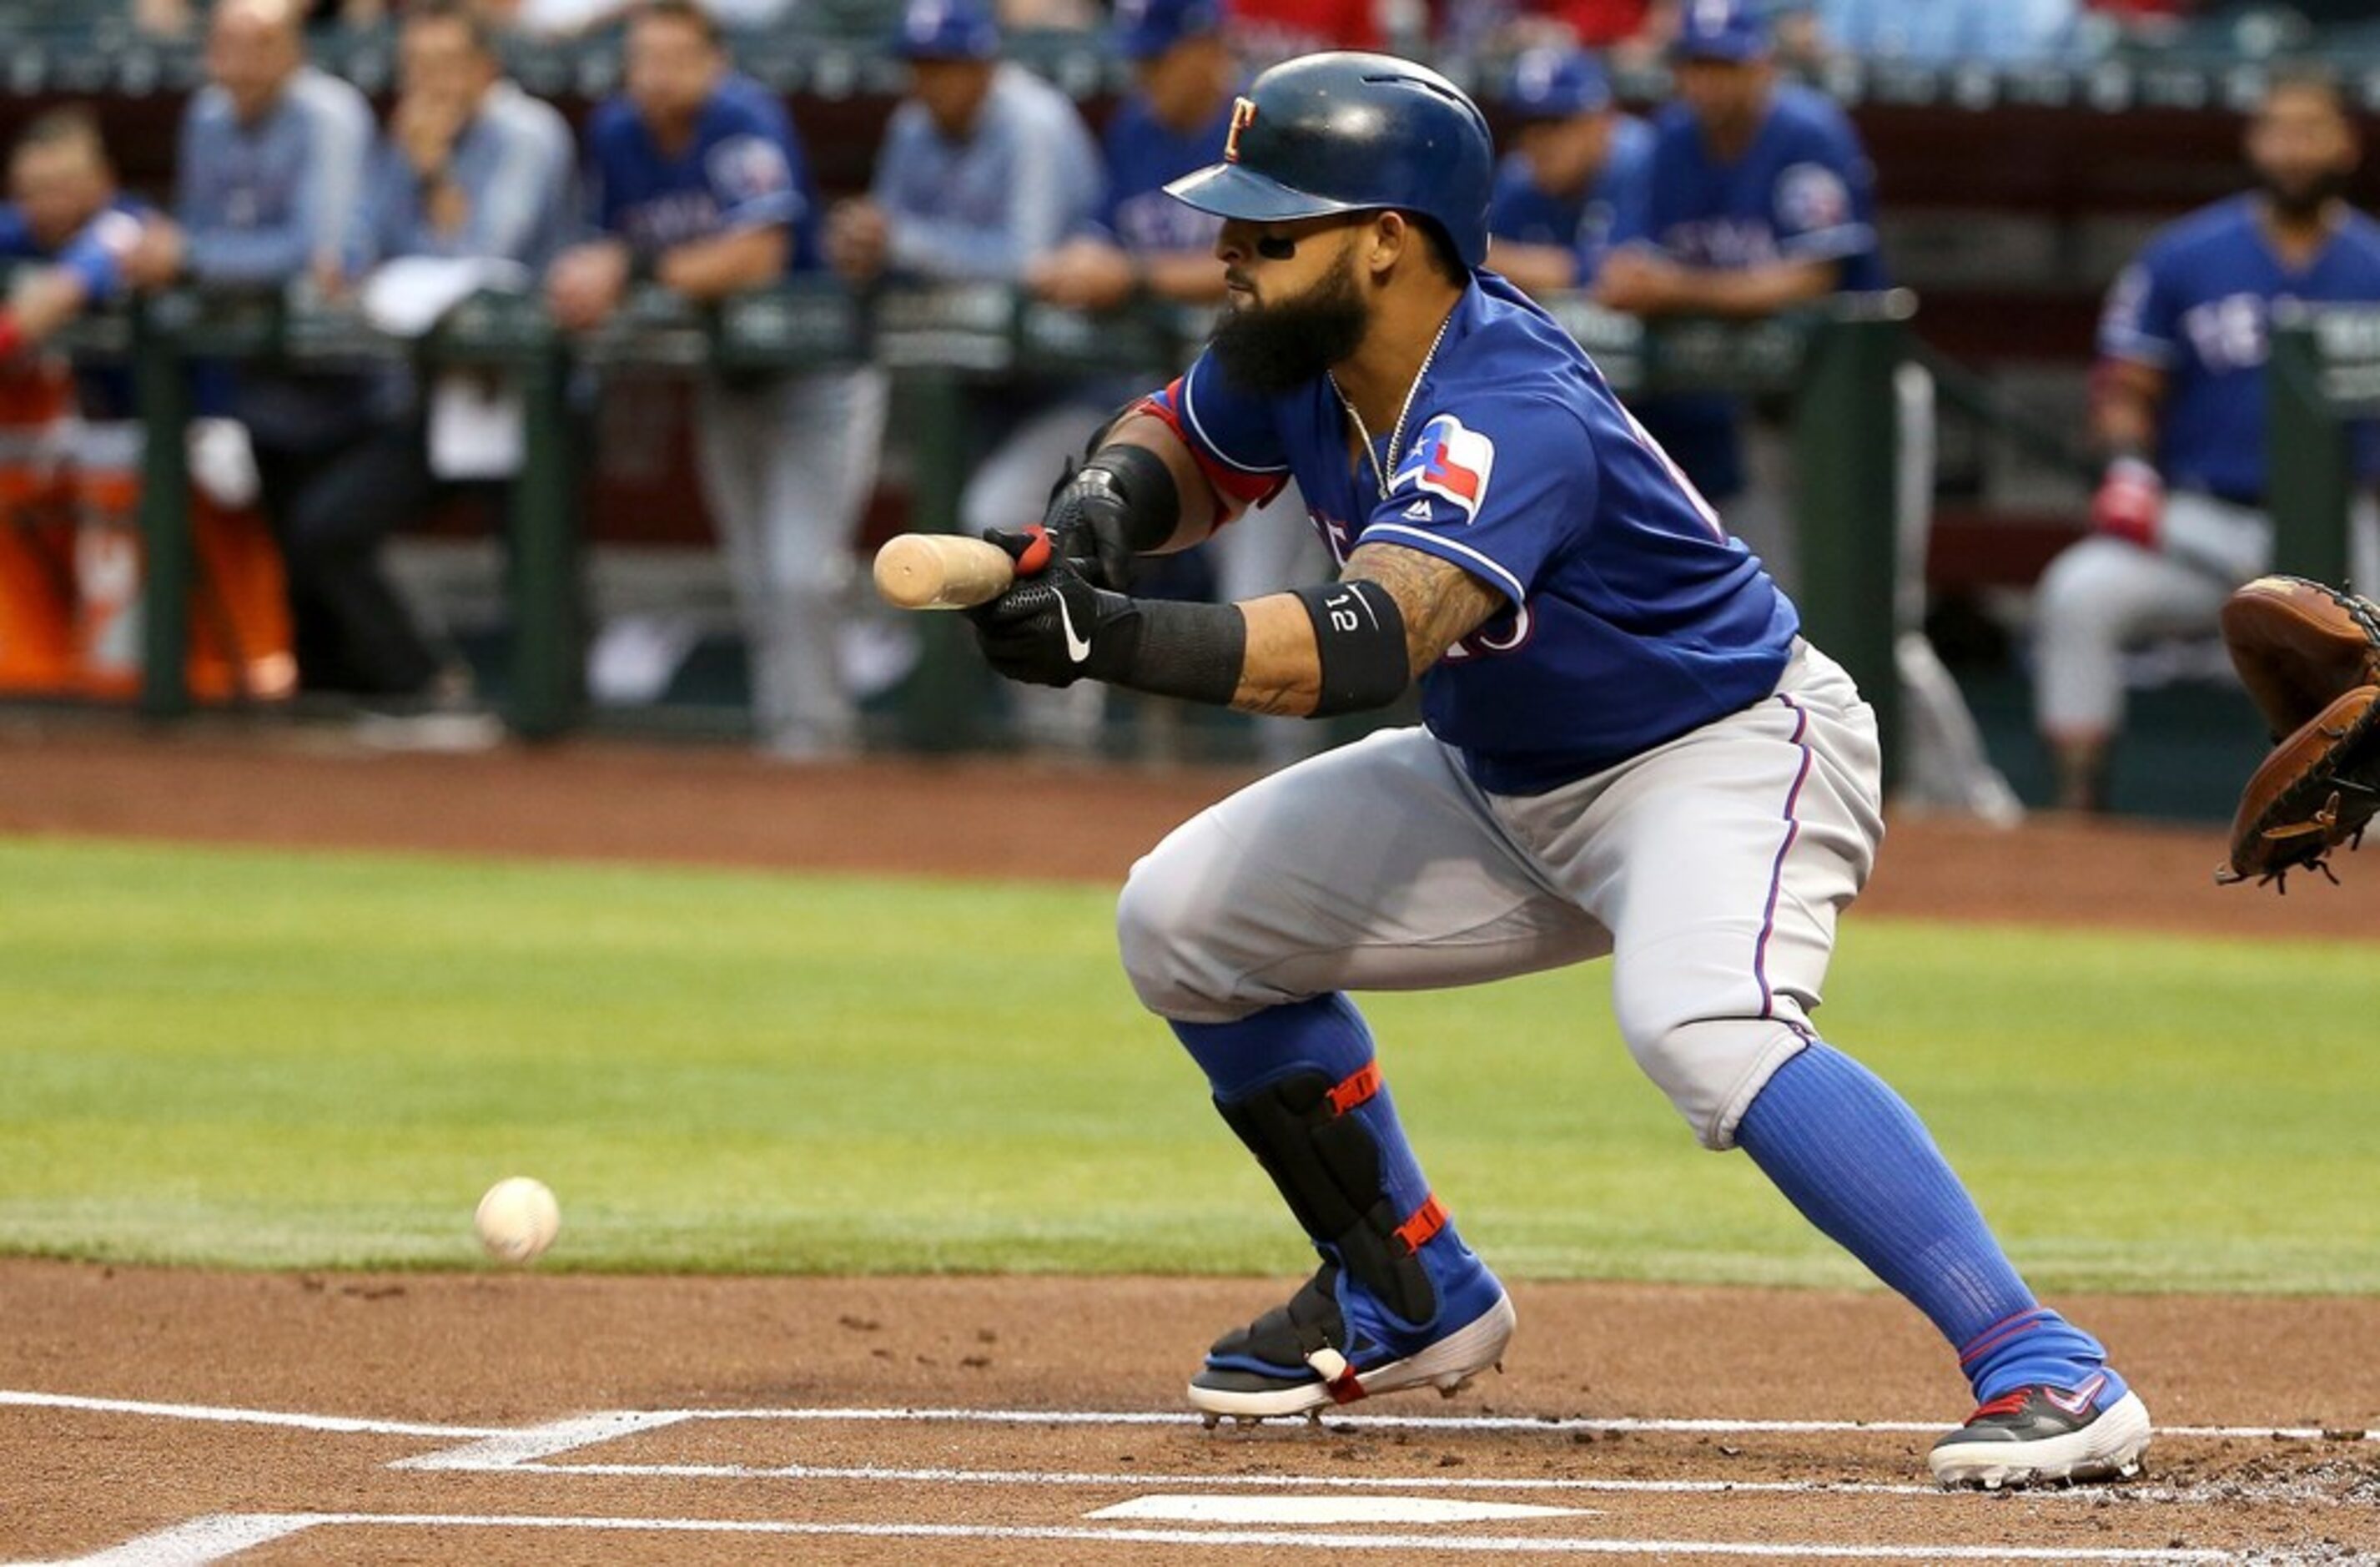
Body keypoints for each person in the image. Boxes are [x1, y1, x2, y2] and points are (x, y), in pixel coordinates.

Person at [959, 51, 2151, 1489]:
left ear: (1386, 239)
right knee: (1184, 919)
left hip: (1714, 754)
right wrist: (1096, 507)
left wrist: (1109, 634)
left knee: (1701, 1025)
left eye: (1267, 227)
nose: (1226, 249)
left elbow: (1360, 643)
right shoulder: (1307, 347)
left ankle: (2043, 1357)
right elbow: (1187, 440)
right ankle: (1408, 1288)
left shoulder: (1504, 406)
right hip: (1504, 774)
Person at [2035, 68, 2380, 814]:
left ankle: (2365, 815)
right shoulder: (2184, 255)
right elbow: (2126, 386)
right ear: (2252, 141)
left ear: (2344, 145)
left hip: (2348, 523)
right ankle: (2075, 807)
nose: (2291, 150)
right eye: (2276, 130)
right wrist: (2127, 466)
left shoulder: (2373, 262)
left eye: (2309, 130)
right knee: (2079, 592)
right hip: (2208, 520)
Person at [551, 0, 886, 760]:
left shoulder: (743, 116)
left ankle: (822, 741)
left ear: (713, 62)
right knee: (757, 576)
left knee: (800, 571)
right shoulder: (617, 131)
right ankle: (787, 736)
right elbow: (606, 247)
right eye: (643, 60)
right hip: (726, 373)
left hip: (817, 369)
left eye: (675, 59)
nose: (657, 77)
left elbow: (757, 256)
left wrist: (633, 271)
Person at [1028, 0, 1329, 764]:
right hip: (1154, 402)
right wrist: (1081, 259)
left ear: (1207, 49)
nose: (1143, 75)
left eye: (1158, 57)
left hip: (1271, 409)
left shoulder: (1272, 127)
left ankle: (1290, 779)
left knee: (1263, 597)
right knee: (1033, 523)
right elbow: (1106, 230)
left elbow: (1284, 260)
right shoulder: (1135, 129)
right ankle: (1054, 758)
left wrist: (1129, 275)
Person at [269, 0, 575, 713]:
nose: (428, 84)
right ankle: (426, 686)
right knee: (325, 529)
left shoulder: (528, 132)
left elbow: (482, 259)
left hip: (525, 393)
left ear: (485, 68)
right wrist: (342, 263)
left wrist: (435, 173)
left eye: (445, 66)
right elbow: (360, 245)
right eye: (415, 68)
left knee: (539, 567)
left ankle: (559, 732)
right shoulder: (400, 136)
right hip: (433, 393)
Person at [825, 0, 1106, 748]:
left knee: (1005, 519)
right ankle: (988, 718)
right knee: (926, 517)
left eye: (946, 66)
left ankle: (1063, 738)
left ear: (985, 62)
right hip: (971, 387)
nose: (930, 84)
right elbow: (890, 248)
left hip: (1077, 384)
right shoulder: (911, 127)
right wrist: (864, 249)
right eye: (920, 67)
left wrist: (902, 243)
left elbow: (1028, 264)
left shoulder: (1032, 123)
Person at [121, 0, 380, 698]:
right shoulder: (206, 115)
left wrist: (194, 257)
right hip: (256, 374)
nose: (236, 64)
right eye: (224, 46)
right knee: (284, 541)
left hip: (347, 372)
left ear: (292, 50)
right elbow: (201, 228)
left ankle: (394, 685)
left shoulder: (328, 114)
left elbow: (311, 251)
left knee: (328, 533)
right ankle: (317, 695)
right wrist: (190, 255)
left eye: (256, 46)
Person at [1596, 0, 1884, 594]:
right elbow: (1621, 271)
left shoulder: (1809, 133)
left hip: (1847, 400)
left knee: (1865, 599)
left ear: (1763, 66)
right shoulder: (1671, 138)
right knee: (1773, 598)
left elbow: (1811, 278)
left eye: (1723, 65)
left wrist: (1680, 289)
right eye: (1694, 65)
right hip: (1744, 411)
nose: (1706, 82)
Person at [1484, 47, 1653, 296]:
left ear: (1601, 121)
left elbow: (1622, 275)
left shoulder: (1640, 162)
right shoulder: (1518, 176)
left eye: (1555, 124)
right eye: (1526, 125)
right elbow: (1474, 264)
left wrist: (1509, 262)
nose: (1536, 142)